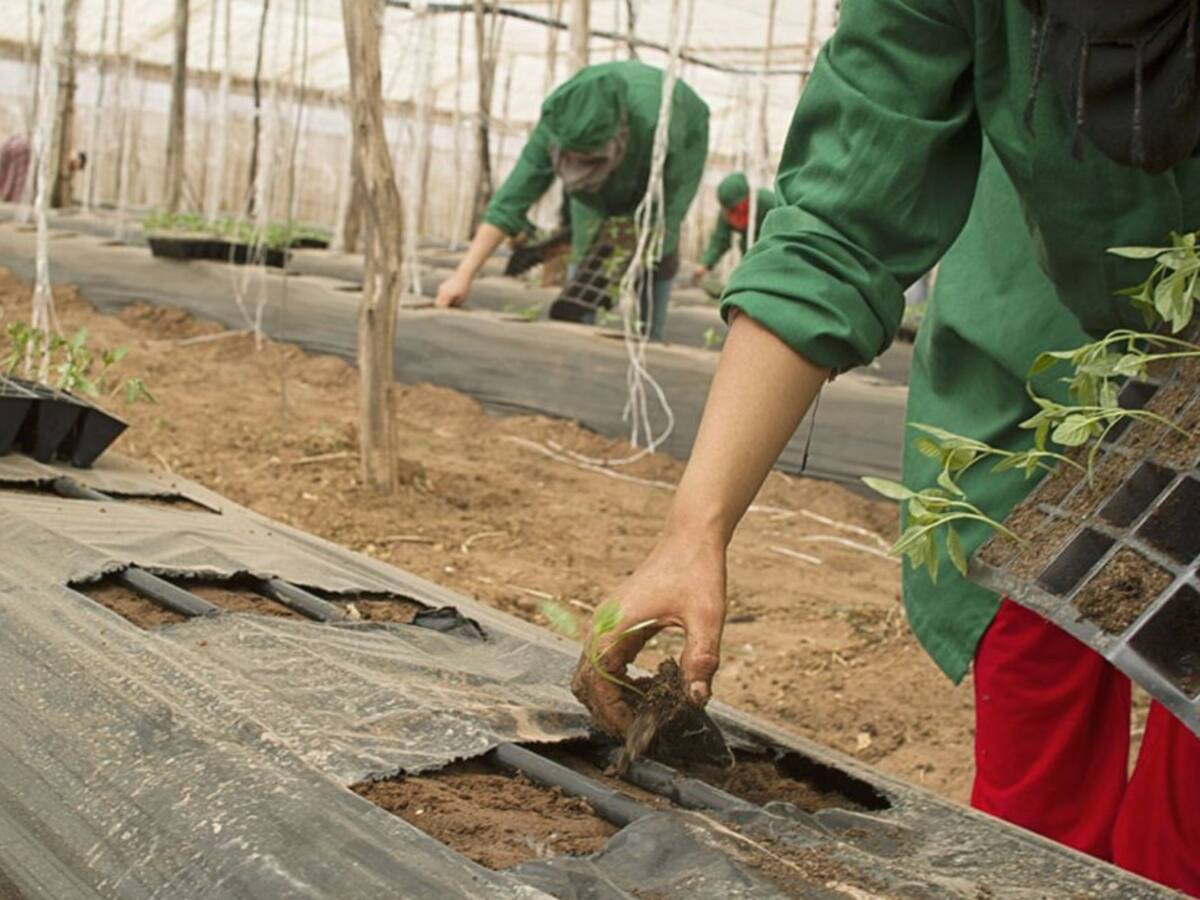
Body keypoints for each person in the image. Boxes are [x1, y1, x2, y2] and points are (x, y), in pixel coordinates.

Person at [570, 1, 1200, 895]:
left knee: (1187, 819)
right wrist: (693, 528)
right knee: (1035, 763)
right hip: (1041, 361)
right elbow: (840, 218)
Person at [435, 60, 709, 342]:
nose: (581, 170)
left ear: (619, 135)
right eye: (573, 161)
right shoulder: (557, 122)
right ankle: (579, 327)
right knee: (586, 236)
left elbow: (665, 204)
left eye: (590, 161)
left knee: (656, 243)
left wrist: (638, 236)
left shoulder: (659, 126)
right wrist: (463, 275)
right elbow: (510, 201)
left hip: (678, 136)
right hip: (598, 186)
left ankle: (649, 338)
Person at [693, 172, 776, 284]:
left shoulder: (768, 203)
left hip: (773, 254)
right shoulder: (727, 213)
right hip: (749, 255)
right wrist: (705, 264)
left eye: (736, 209)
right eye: (730, 210)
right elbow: (720, 239)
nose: (733, 215)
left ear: (747, 197)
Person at [0, 136, 85, 205]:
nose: (73, 169)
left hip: (19, 145)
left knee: (9, 177)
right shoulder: (66, 152)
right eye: (76, 166)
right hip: (24, 150)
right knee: (15, 181)